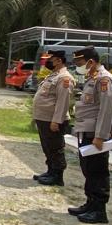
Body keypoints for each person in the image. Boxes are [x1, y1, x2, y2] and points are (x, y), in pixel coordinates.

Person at [69, 47, 112, 224]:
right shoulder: (93, 79)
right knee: (88, 169)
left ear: (91, 61)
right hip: (87, 131)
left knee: (97, 171)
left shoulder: (104, 80)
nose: (78, 66)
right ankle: (90, 203)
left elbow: (107, 110)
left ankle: (99, 210)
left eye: (80, 63)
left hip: (96, 134)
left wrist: (100, 136)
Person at [31, 50, 73, 186]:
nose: (48, 62)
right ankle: (50, 171)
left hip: (52, 120)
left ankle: (57, 176)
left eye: (51, 59)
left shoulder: (64, 77)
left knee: (55, 147)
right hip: (44, 118)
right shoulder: (53, 76)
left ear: (59, 60)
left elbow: (63, 101)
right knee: (47, 147)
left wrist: (56, 120)